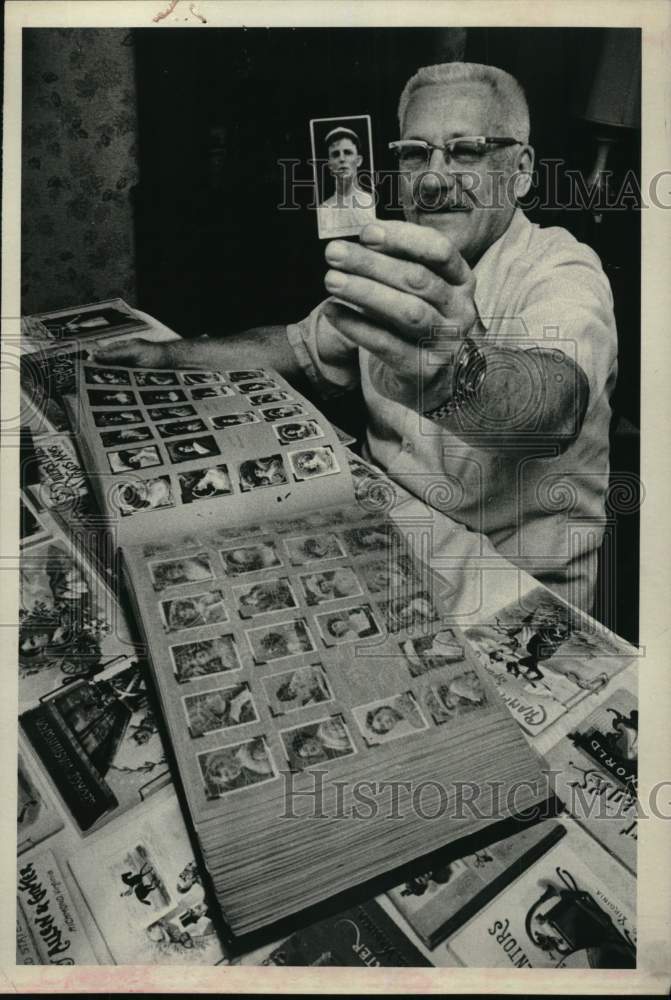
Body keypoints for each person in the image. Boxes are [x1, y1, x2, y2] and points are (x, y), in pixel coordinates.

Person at [96, 62, 618, 612]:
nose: (435, 179)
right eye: (415, 153)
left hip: (513, 590)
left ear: (521, 170)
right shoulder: (394, 264)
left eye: (467, 150)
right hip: (381, 548)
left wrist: (457, 371)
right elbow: (295, 346)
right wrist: (166, 354)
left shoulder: (563, 269)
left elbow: (554, 408)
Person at [317, 127, 377, 236]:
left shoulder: (372, 203)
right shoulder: (323, 211)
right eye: (335, 154)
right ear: (330, 164)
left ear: (358, 160)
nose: (342, 159)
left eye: (347, 152)